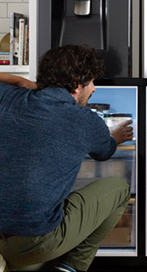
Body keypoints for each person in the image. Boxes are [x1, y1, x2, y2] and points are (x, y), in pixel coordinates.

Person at [0, 44, 133, 272]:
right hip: (35, 243)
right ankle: (70, 267)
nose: (93, 89)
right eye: (91, 81)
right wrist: (116, 138)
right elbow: (105, 151)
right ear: (75, 84)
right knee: (119, 189)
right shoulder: (86, 120)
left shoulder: (10, 98)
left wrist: (24, 84)